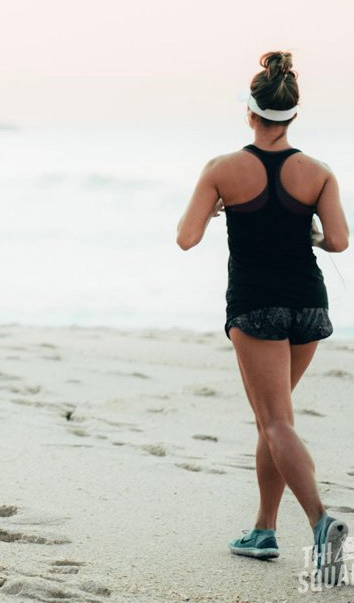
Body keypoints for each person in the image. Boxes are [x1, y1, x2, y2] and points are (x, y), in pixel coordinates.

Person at [177, 51, 349, 581]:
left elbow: (186, 238)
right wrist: (311, 230)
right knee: (276, 421)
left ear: (251, 113)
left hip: (256, 305)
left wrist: (222, 203)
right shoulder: (317, 172)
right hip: (308, 303)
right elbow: (340, 242)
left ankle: (321, 522)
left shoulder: (223, 168)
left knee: (274, 420)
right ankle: (263, 529)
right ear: (291, 114)